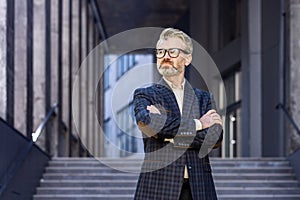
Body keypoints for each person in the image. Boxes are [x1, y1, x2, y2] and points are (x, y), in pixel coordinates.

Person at [133, 28, 223, 200]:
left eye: (172, 51)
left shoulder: (204, 98)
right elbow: (147, 123)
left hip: (199, 186)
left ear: (187, 58)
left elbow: (214, 137)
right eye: (160, 52)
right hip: (158, 185)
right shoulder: (145, 94)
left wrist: (167, 133)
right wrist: (198, 124)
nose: (165, 56)